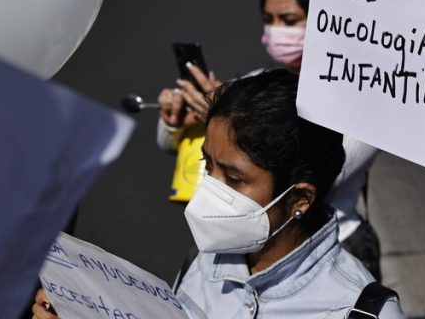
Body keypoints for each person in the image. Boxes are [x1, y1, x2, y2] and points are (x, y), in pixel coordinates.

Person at [33, 70, 405, 319]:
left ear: (300, 199)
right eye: (208, 165)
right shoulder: (202, 263)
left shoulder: (362, 311)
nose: (209, 188)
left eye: (235, 179)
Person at [157, 0, 383, 280]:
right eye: (268, 20)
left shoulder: (357, 97)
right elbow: (177, 146)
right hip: (251, 247)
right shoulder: (258, 82)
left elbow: (326, 173)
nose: (276, 30)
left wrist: (228, 118)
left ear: (326, 20)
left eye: (288, 20)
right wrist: (175, 120)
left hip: (334, 246)